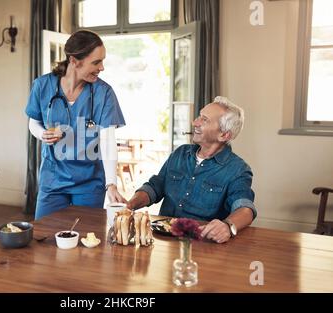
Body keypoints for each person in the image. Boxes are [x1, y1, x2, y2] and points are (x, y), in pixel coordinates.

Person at [25, 30, 126, 220]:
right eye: (96, 62)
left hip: (89, 183)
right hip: (52, 180)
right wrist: (41, 134)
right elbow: (34, 122)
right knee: (44, 238)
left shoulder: (104, 93)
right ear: (74, 61)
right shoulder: (42, 86)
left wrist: (111, 183)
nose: (102, 67)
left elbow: (107, 140)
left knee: (85, 240)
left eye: (102, 61)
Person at [127, 97, 256, 243]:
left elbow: (245, 209)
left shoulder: (238, 169)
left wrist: (228, 226)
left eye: (204, 120)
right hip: (163, 239)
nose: (195, 122)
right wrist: (129, 205)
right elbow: (155, 186)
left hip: (203, 244)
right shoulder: (180, 153)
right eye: (199, 116)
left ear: (224, 135)